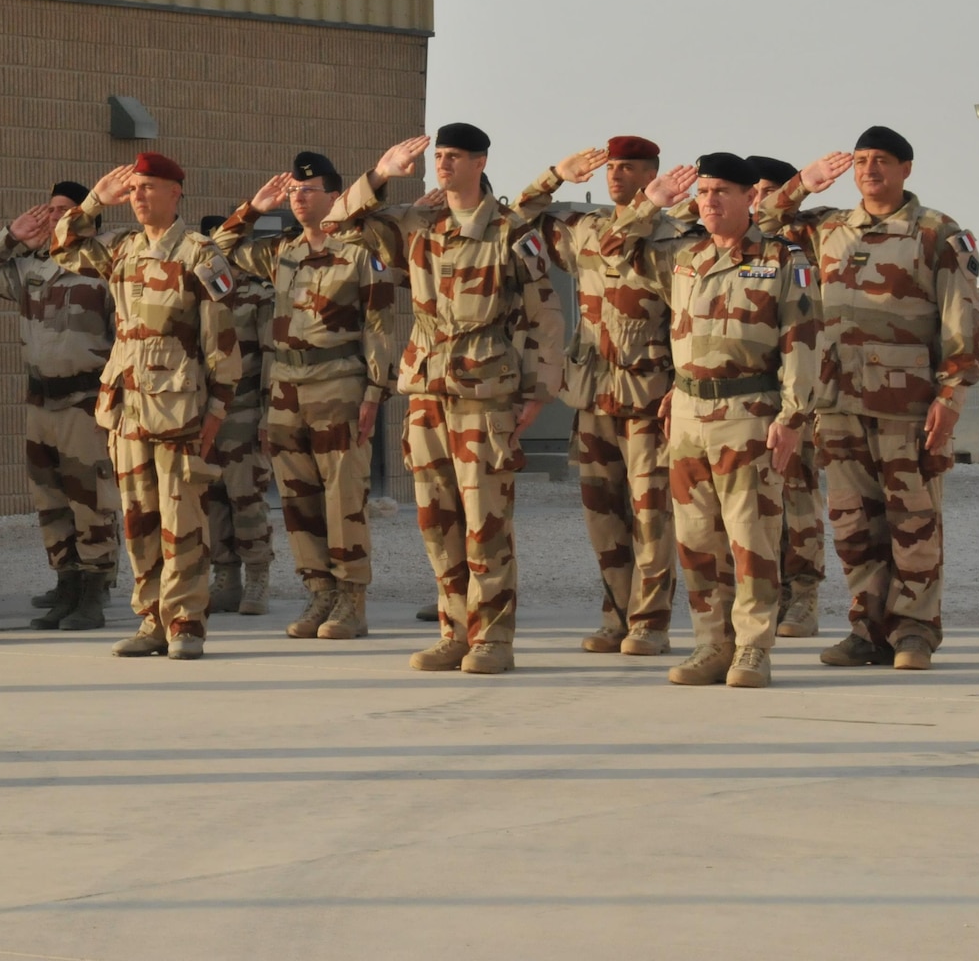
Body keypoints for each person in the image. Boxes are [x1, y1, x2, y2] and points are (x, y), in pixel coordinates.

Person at [332, 127, 563, 675]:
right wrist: (382, 174)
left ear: (480, 161)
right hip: (426, 388)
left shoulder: (510, 230)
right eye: (438, 156)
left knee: (486, 520)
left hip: (486, 391)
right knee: (436, 521)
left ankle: (492, 639)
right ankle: (453, 631)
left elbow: (544, 315)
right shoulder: (418, 223)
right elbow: (338, 224)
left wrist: (540, 391)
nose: (442, 164)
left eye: (453, 156)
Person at [760, 128, 979, 670]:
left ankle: (914, 633)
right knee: (853, 525)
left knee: (913, 522)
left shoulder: (937, 234)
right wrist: (801, 185)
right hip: (836, 402)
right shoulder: (828, 226)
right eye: (860, 161)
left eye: (881, 161)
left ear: (907, 168)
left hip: (908, 405)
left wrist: (950, 398)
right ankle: (867, 629)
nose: (868, 170)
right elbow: (759, 222)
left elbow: (962, 324)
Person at [605, 154, 822, 687]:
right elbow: (613, 250)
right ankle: (711, 645)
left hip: (750, 413)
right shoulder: (684, 258)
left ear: (751, 198)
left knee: (752, 537)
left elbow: (803, 343)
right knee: (697, 538)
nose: (709, 201)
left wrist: (794, 418)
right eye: (702, 192)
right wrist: (647, 203)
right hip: (687, 414)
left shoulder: (783, 260)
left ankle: (752, 648)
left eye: (722, 191)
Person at [47, 153, 243, 660]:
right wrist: (95, 201)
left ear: (176, 192)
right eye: (133, 189)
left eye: (149, 187)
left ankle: (186, 624)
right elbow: (63, 245)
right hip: (127, 407)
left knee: (183, 521)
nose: (138, 197)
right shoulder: (123, 249)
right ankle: (151, 619)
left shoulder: (200, 253)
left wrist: (217, 412)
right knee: (138, 521)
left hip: (180, 410)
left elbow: (222, 343)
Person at [211, 153, 398, 640]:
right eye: (293, 191)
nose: (298, 197)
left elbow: (379, 326)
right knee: (297, 500)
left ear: (335, 197)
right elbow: (220, 248)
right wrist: (252, 208)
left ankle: (351, 600)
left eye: (309, 190)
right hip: (285, 390)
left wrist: (376, 393)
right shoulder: (282, 253)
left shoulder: (360, 253)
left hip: (338, 386)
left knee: (343, 500)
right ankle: (319, 594)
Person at [510, 137, 680, 656]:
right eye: (611, 168)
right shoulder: (583, 230)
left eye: (629, 168)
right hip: (594, 399)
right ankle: (616, 617)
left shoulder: (675, 238)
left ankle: (650, 622)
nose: (615, 176)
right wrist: (555, 175)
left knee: (651, 517)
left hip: (650, 397)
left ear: (653, 172)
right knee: (602, 516)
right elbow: (520, 220)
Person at [0, 182, 121, 631]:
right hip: (40, 399)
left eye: (66, 211)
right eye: (51, 209)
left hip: (86, 400)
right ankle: (67, 580)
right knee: (50, 497)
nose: (54, 218)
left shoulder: (105, 266)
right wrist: (12, 235)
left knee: (91, 497)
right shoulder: (31, 267)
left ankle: (95, 589)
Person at [746, 155, 826, 638]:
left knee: (797, 497)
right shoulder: (729, 246)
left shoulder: (802, 238)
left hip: (797, 392)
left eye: (768, 191)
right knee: (752, 502)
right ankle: (764, 595)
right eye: (751, 190)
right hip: (747, 394)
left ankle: (805, 597)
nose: (758, 201)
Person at [197, 214, 276, 619]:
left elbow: (270, 359)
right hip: (203, 413)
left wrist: (267, 416)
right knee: (211, 498)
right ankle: (225, 577)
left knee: (246, 496)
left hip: (244, 410)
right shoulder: (195, 289)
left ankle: (258, 574)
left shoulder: (257, 293)